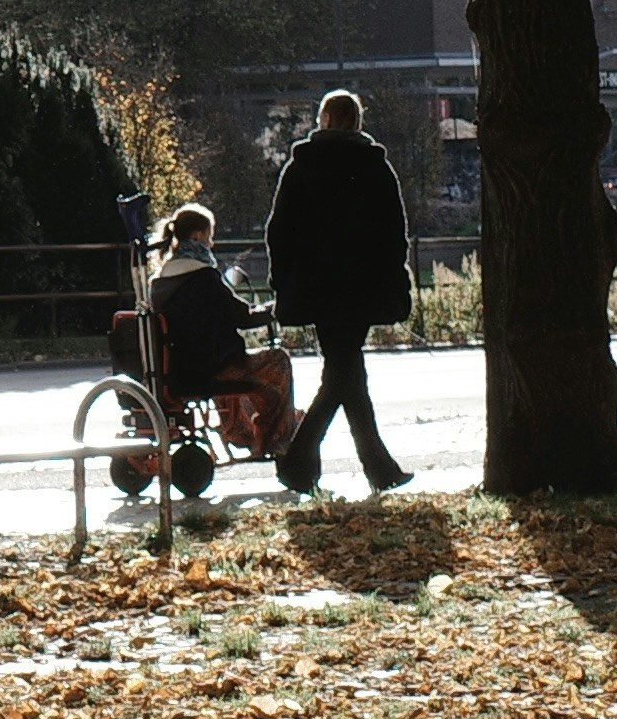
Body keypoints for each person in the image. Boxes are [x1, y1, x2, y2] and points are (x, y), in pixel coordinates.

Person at [265, 89, 413, 490]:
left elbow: (279, 232)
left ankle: (308, 465)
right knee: (345, 373)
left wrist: (284, 280)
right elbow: (394, 234)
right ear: (357, 121)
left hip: (316, 288)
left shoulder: (302, 167)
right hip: (363, 287)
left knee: (343, 372)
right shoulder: (374, 166)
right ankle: (358, 467)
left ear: (323, 119)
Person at [140, 202, 268, 414]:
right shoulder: (203, 277)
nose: (211, 244)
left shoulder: (161, 281)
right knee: (277, 362)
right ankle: (277, 434)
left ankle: (239, 429)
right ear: (198, 236)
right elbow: (242, 317)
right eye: (210, 236)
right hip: (207, 370)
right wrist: (275, 310)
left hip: (177, 370)